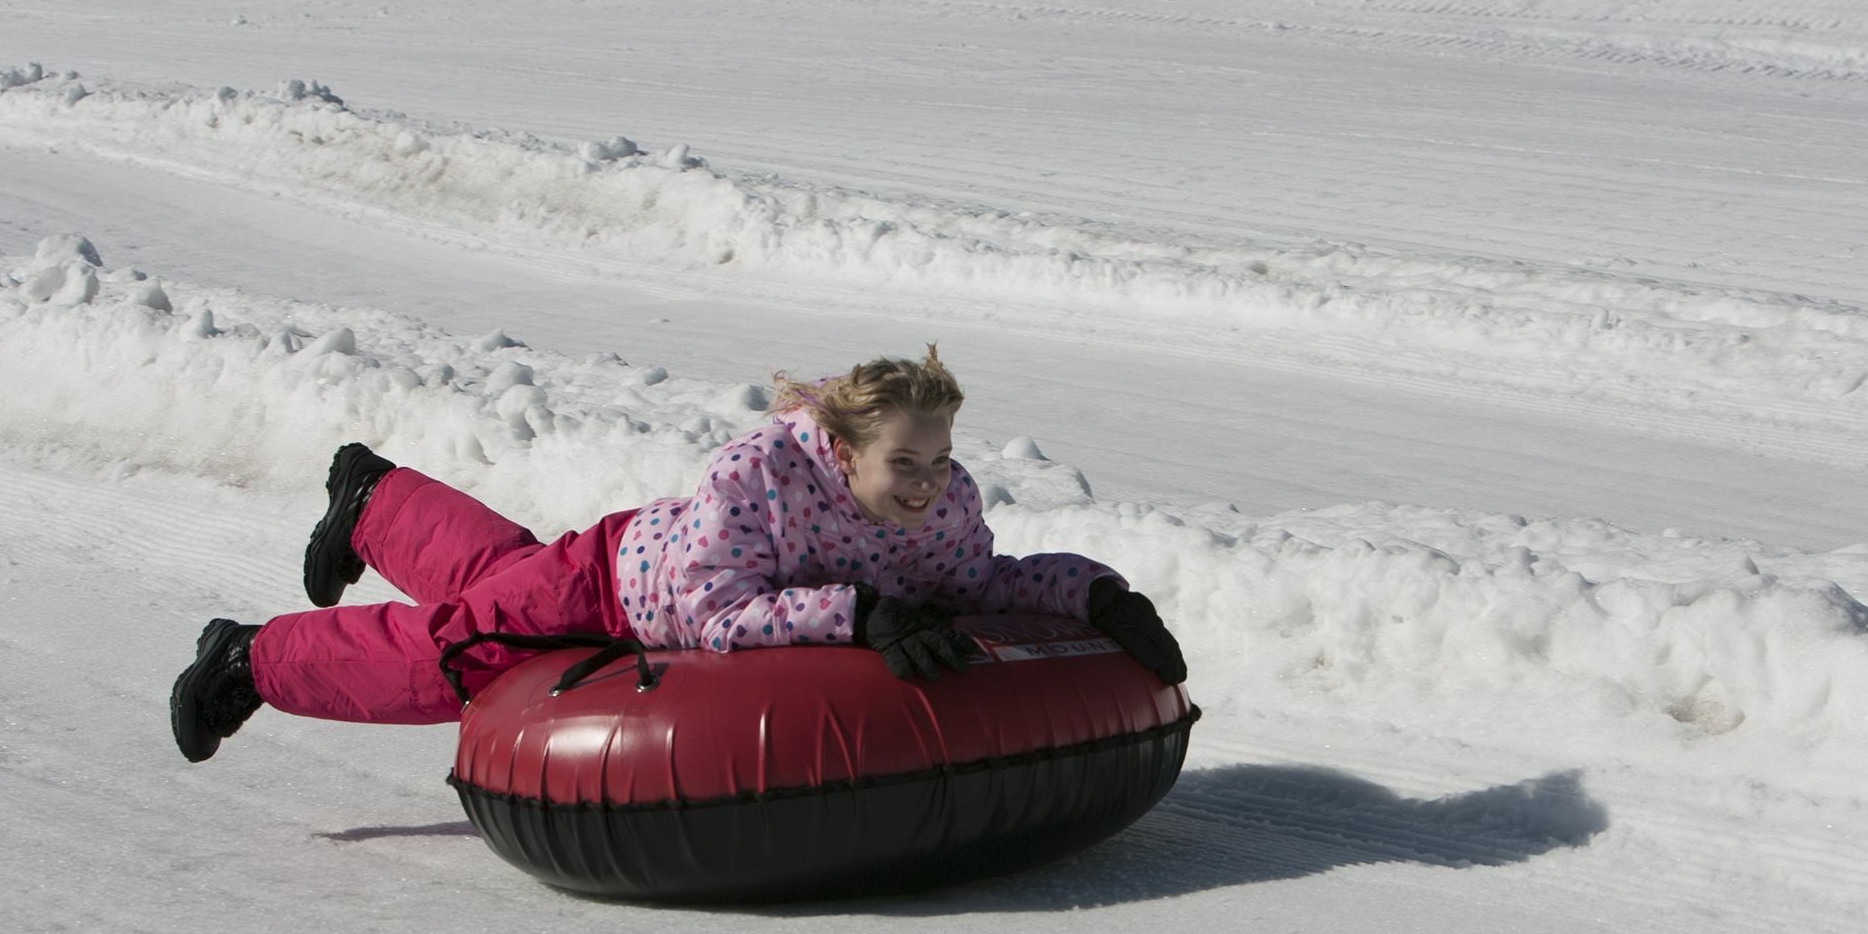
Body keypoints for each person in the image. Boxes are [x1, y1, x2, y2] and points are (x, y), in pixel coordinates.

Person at [171, 346, 1187, 762]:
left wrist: (1096, 596)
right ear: (841, 450)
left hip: (619, 571)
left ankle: (375, 500)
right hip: (614, 590)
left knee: (493, 583)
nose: (926, 482)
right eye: (903, 462)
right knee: (458, 652)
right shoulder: (753, 479)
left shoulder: (943, 510)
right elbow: (716, 618)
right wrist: (858, 615)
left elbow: (984, 586)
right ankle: (246, 657)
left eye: (940, 457)